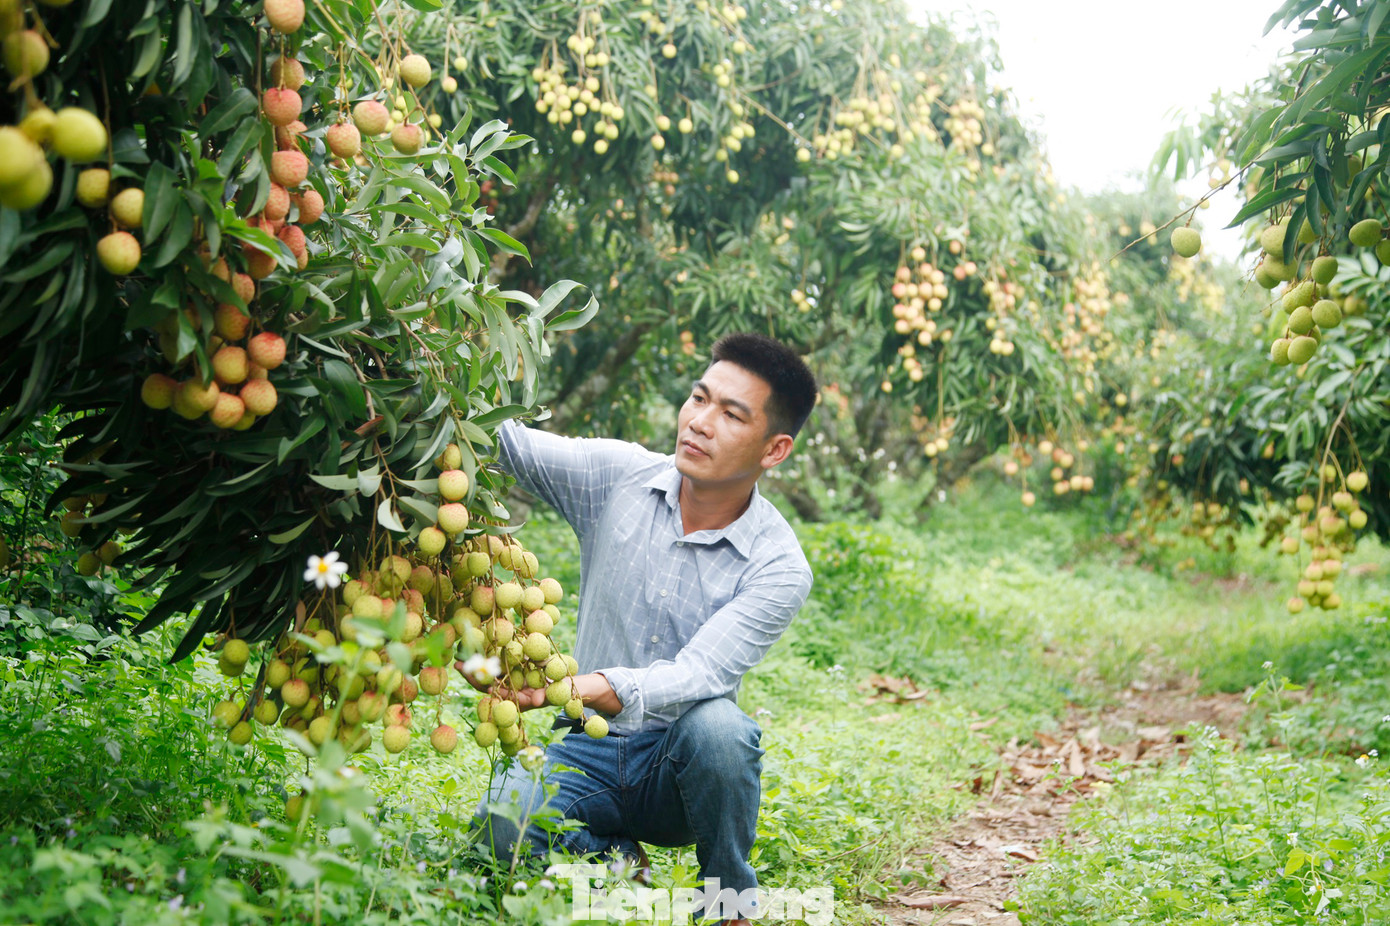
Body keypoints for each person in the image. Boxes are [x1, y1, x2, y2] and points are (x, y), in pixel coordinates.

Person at [466, 331, 817, 924]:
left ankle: (728, 900)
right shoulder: (618, 477)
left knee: (722, 732)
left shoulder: (778, 563)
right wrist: (417, 358)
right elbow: (505, 444)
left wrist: (596, 685)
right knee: (499, 832)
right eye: (699, 399)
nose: (700, 423)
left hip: (679, 771)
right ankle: (612, 859)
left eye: (731, 414)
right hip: (586, 746)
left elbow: (699, 672)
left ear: (774, 449)